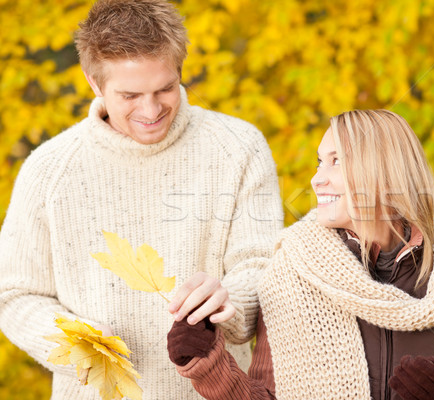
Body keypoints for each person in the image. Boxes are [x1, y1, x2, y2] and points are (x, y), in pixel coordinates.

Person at [0, 0, 282, 398]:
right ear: (93, 82)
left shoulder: (239, 148)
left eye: (165, 88)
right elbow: (14, 295)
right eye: (130, 95)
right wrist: (72, 343)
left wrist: (227, 300)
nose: (151, 110)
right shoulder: (48, 170)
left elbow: (264, 269)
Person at [167, 109, 434, 400]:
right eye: (319, 162)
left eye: (336, 161)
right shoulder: (293, 271)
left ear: (386, 171)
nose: (316, 178)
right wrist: (209, 366)